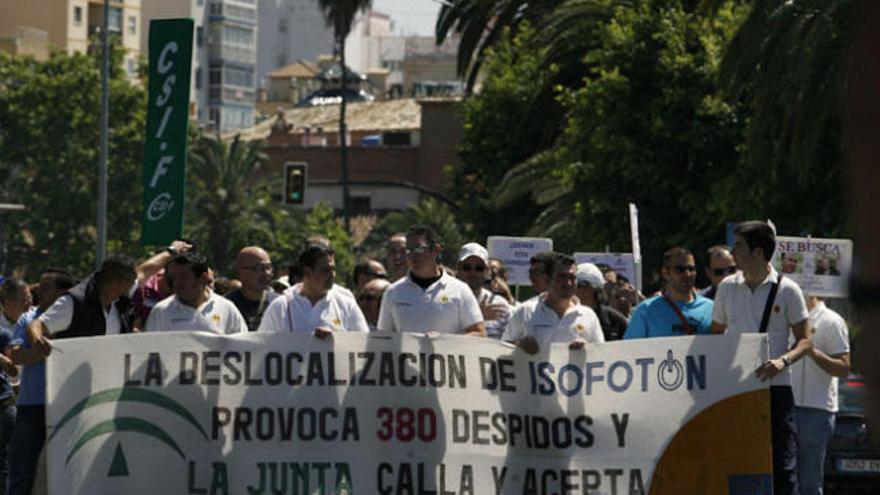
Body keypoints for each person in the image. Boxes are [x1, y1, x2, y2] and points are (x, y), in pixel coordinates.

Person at [711, 220, 812, 495]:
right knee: (738, 462)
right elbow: (715, 336)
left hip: (775, 390)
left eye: (739, 246)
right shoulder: (727, 288)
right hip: (737, 390)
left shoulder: (788, 290)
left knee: (783, 466)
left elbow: (805, 341)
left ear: (758, 252)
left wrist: (783, 361)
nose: (733, 252)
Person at [9, 269, 74, 495]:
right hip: (31, 407)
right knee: (23, 471)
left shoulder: (76, 321)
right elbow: (16, 355)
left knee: (65, 471)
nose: (38, 291)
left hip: (66, 406)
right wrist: (46, 350)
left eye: (46, 287)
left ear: (63, 294)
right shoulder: (28, 319)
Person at [377, 225, 485, 336]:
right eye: (408, 250)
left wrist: (445, 341)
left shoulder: (460, 290)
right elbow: (383, 338)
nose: (413, 255)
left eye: (419, 248)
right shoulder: (393, 292)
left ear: (436, 250)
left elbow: (480, 332)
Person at [792, 295, 851, 495]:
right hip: (785, 407)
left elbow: (844, 368)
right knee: (784, 479)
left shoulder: (831, 321)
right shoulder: (783, 317)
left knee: (810, 484)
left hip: (816, 411)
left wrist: (813, 353)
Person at [28, 255, 138, 355]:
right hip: (71, 375)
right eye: (131, 282)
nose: (132, 286)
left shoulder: (121, 306)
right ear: (119, 282)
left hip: (108, 375)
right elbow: (37, 324)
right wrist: (37, 339)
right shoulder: (75, 303)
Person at [259, 244, 369, 336]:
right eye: (326, 270)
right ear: (307, 272)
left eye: (333, 269)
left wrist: (336, 340)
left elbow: (363, 344)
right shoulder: (281, 307)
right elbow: (263, 347)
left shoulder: (346, 305)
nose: (332, 275)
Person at [505, 253, 603, 353]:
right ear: (548, 280)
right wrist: (518, 345)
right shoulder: (525, 311)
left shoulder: (588, 315)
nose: (568, 283)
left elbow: (602, 353)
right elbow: (502, 347)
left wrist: (589, 347)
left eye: (572, 277)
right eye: (562, 277)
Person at [145, 253, 247, 334]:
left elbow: (242, 346)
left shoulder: (226, 308)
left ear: (203, 277)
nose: (177, 282)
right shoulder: (160, 311)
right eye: (173, 277)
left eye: (183, 276)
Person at [624, 247, 714, 339]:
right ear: (665, 273)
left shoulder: (712, 308)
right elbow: (630, 349)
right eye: (680, 269)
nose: (687, 274)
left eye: (691, 269)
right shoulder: (646, 310)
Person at [0, 279, 26, 494]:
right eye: (23, 300)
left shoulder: (30, 321)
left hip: (17, 401)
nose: (29, 303)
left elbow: (15, 368)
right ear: (7, 302)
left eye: (30, 299)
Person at [456, 243, 512, 339]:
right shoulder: (446, 300)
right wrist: (478, 317)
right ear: (458, 269)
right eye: (467, 267)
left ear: (487, 271)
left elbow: (512, 341)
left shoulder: (500, 305)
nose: (472, 272)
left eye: (479, 268)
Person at [225, 246, 279, 332]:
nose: (266, 273)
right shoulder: (226, 306)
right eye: (259, 268)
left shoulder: (279, 304)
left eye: (268, 267)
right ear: (241, 272)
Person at [576, 263, 628, 341]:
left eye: (580, 285)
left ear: (594, 289)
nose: (573, 289)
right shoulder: (564, 316)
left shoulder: (616, 320)